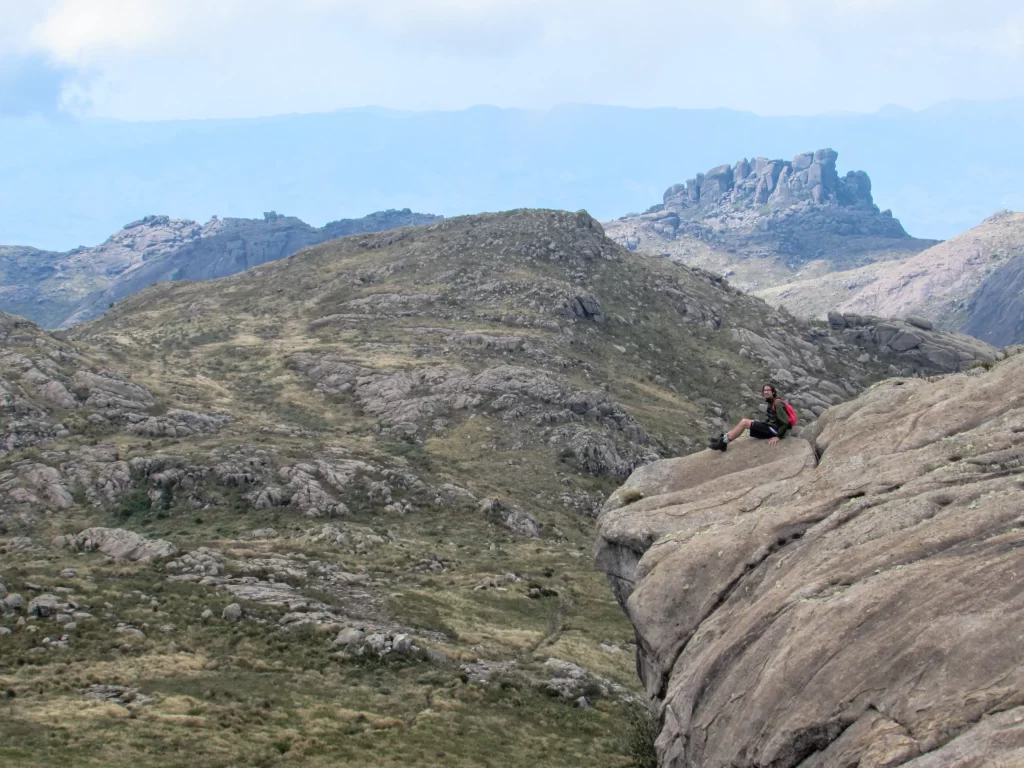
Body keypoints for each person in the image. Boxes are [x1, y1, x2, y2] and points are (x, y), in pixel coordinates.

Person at [708, 383, 791, 451]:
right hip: (771, 427)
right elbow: (773, 418)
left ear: (773, 392)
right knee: (746, 422)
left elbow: (785, 421)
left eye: (768, 390)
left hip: (773, 430)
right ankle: (723, 438)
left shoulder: (777, 403)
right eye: (764, 390)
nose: (766, 392)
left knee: (744, 422)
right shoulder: (771, 402)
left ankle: (723, 443)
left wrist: (778, 436)